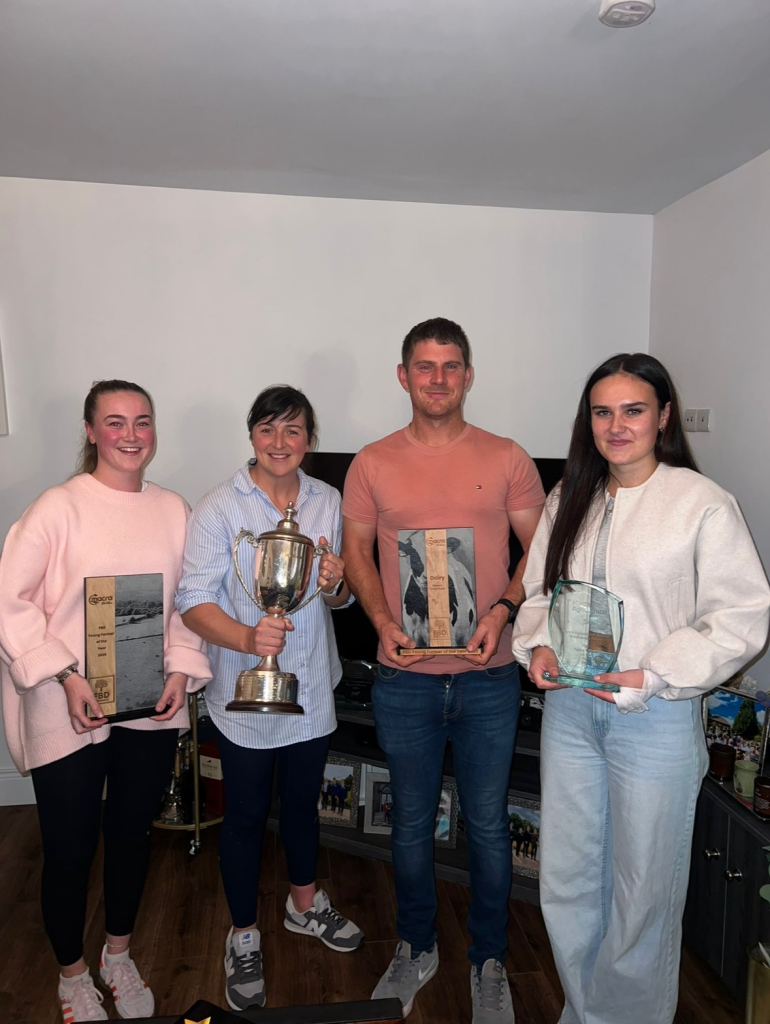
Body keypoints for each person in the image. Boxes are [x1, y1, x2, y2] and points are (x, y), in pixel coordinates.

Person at [512, 353, 770, 1024]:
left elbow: (741, 614)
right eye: (603, 411)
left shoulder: (701, 504)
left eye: (632, 410)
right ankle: (586, 1011)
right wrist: (535, 645)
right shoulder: (569, 495)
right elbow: (540, 591)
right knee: (568, 880)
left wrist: (655, 674)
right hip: (570, 711)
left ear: (662, 417)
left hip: (653, 718)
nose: (616, 424)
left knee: (642, 892)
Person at [342, 317, 545, 1022]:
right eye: (424, 367)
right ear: (404, 376)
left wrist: (503, 608)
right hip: (405, 680)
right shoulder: (370, 463)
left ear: (468, 375)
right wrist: (381, 624)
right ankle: (416, 946)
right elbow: (359, 556)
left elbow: (539, 552)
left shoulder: (509, 456)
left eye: (451, 366)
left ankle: (488, 960)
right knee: (408, 827)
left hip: (489, 676)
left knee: (489, 826)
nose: (437, 379)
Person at [0, 380, 211, 1023]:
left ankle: (117, 954)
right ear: (90, 431)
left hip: (149, 704)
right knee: (68, 846)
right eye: (114, 422)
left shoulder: (174, 510)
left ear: (154, 431)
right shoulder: (57, 508)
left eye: (142, 421)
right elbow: (11, 603)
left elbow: (188, 603)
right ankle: (71, 976)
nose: (129, 434)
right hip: (66, 701)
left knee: (129, 834)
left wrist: (180, 669)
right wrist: (65, 676)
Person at [176, 384, 363, 1013]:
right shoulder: (219, 508)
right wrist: (248, 635)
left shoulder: (328, 500)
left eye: (293, 431)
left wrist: (339, 586)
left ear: (309, 438)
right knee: (248, 817)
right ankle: (243, 934)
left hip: (312, 685)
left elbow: (337, 600)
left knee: (305, 809)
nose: (280, 443)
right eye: (268, 429)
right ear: (251, 434)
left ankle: (303, 905)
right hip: (245, 693)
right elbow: (193, 601)